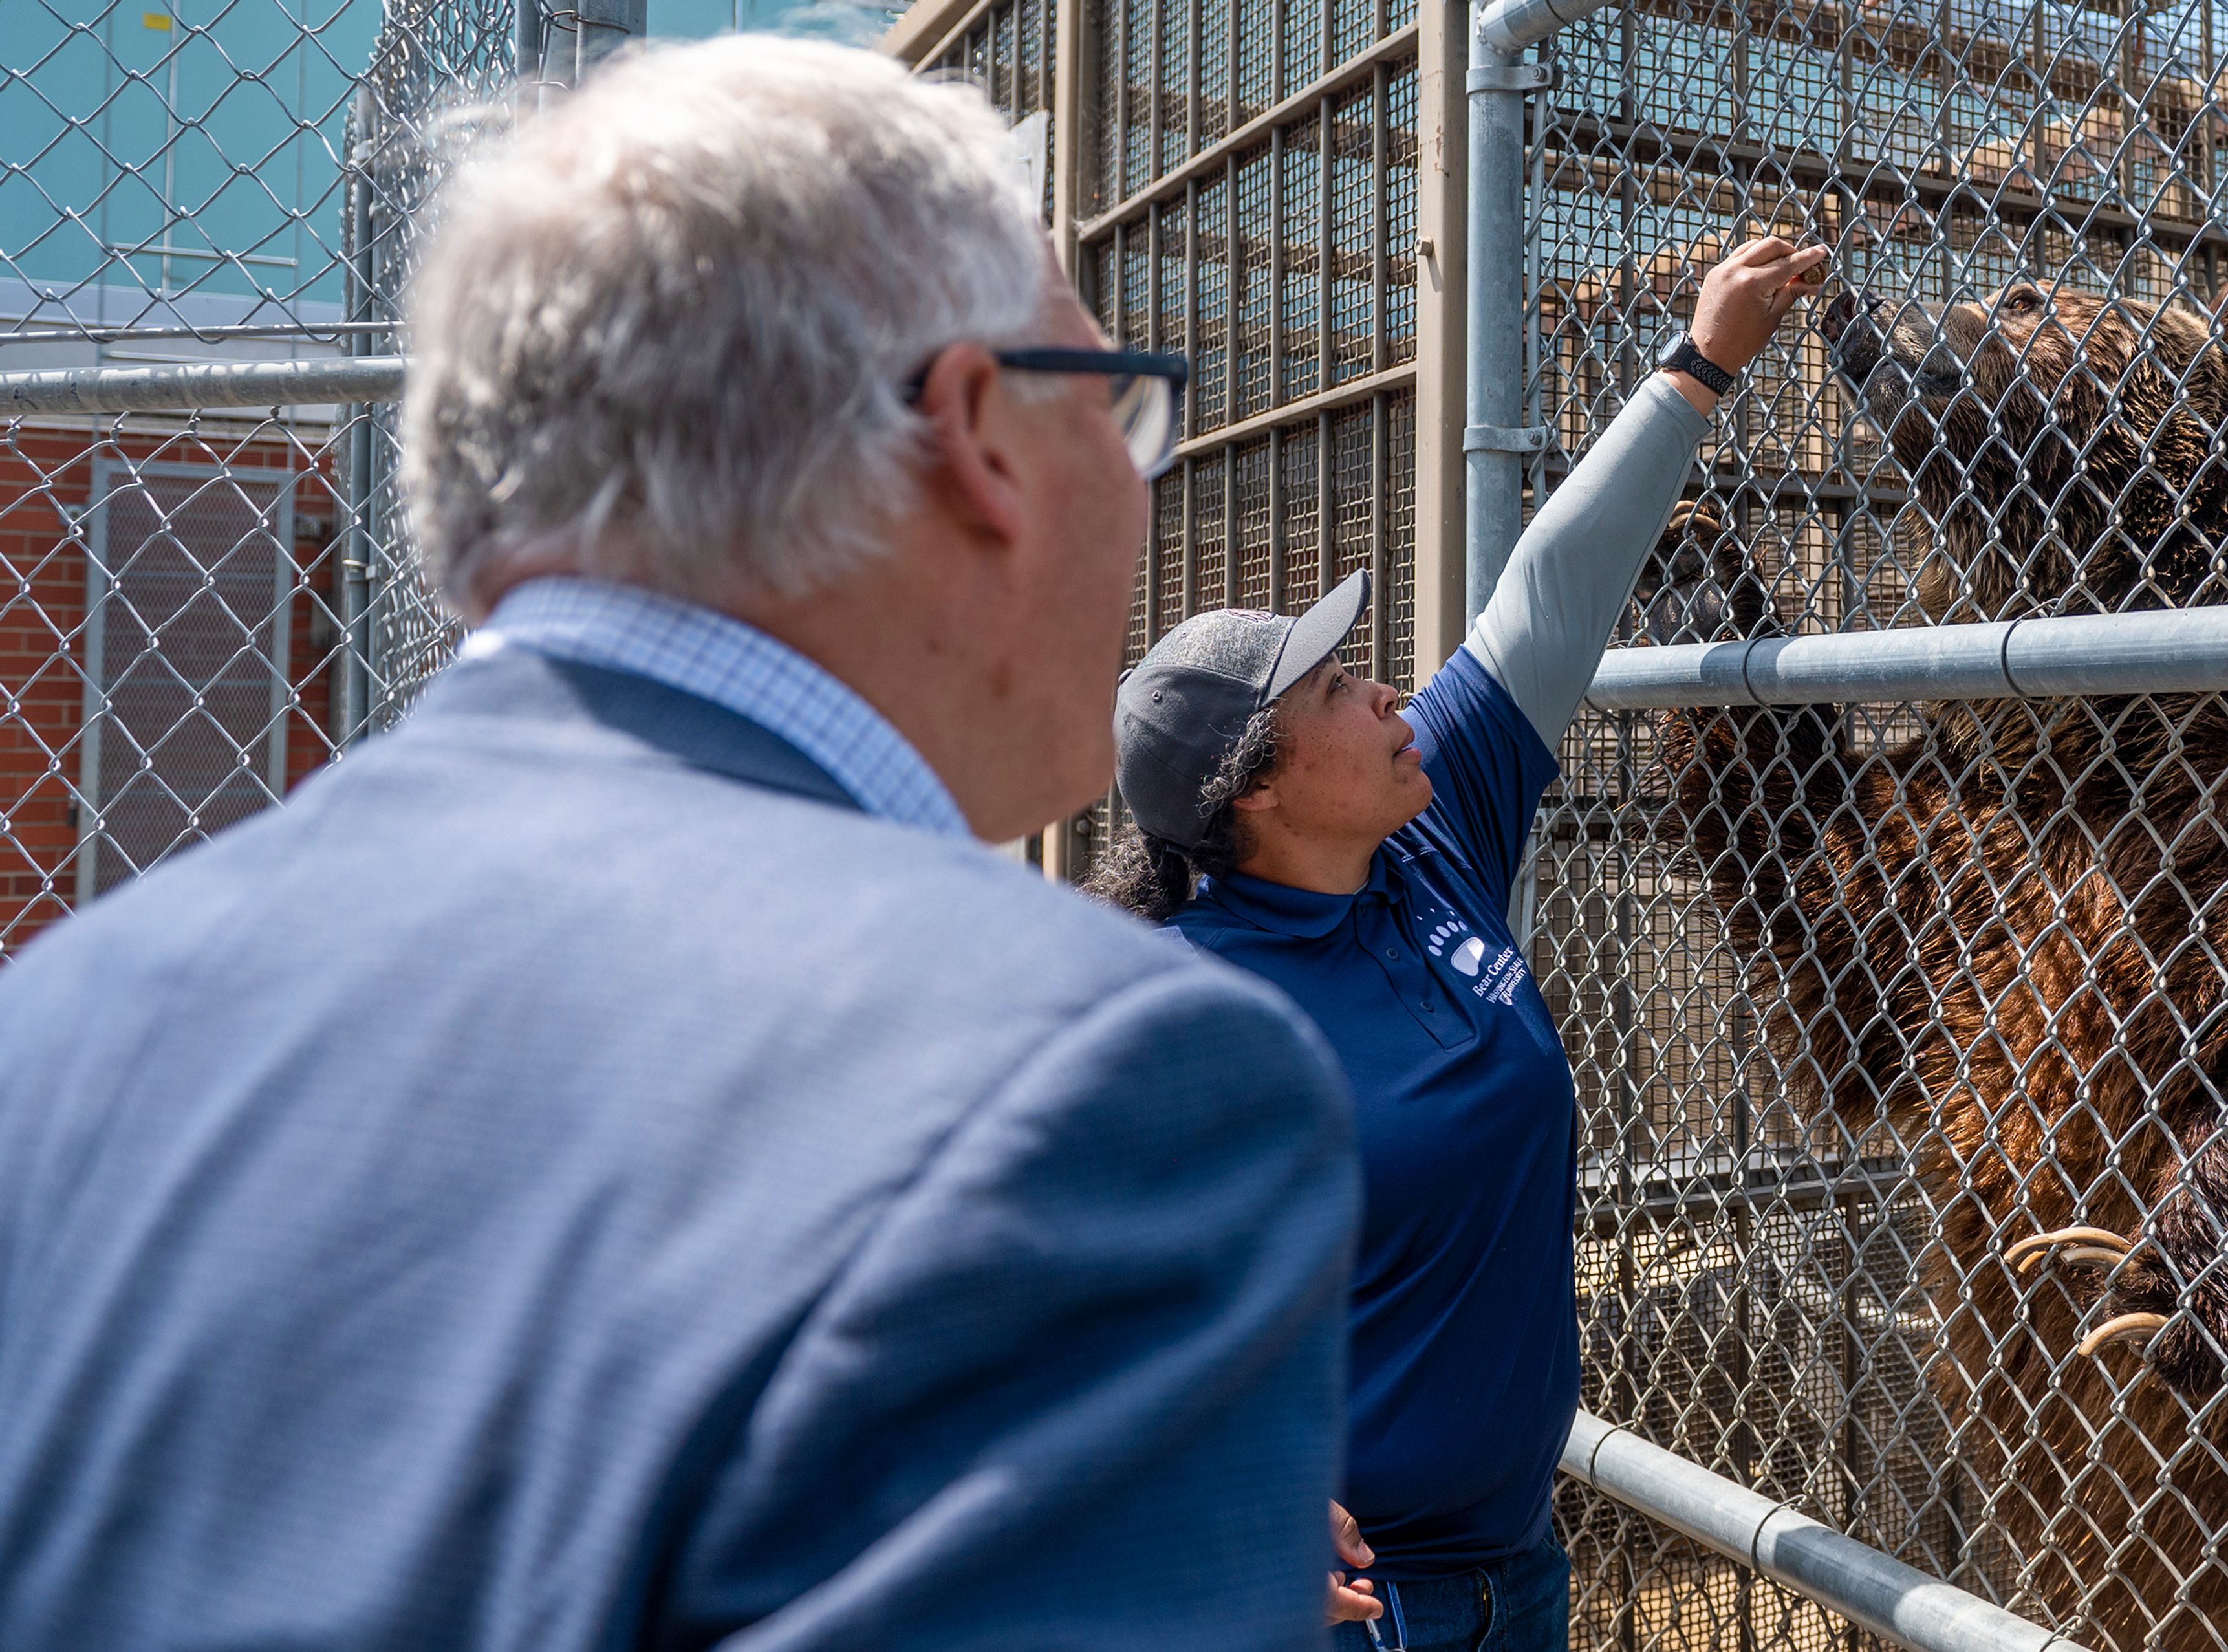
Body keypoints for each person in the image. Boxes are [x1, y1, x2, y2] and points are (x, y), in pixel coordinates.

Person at [0, 38, 1361, 1652]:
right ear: (982, 431)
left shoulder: (57, 1029)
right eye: (1117, 401)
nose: (1142, 487)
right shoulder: (1099, 1084)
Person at [1094, 235, 1828, 1651]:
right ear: (1257, 785)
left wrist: (1699, 363)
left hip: (1516, 1570)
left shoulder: (1424, 837)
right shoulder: (1182, 1011)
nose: (1390, 695)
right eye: (1342, 685)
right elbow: (1056, 1298)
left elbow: (1547, 597)